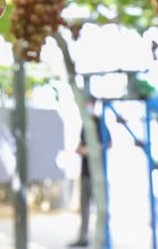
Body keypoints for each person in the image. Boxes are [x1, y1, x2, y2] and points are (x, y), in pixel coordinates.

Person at [70, 96, 112, 248]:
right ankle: (83, 237)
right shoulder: (85, 124)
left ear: (92, 105)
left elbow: (108, 143)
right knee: (84, 208)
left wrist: (89, 150)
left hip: (97, 174)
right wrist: (80, 149)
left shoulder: (99, 123)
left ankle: (103, 239)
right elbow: (81, 143)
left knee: (100, 208)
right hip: (85, 173)